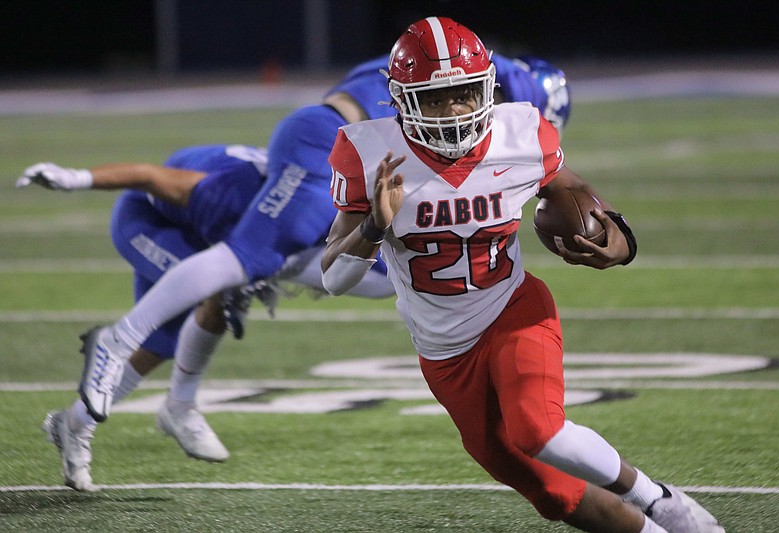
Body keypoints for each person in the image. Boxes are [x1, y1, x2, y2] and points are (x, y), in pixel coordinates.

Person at [19, 48, 572, 492]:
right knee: (247, 264)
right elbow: (154, 177)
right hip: (157, 217)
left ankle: (85, 421)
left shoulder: (423, 103)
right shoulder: (489, 91)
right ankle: (126, 348)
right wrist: (75, 178)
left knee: (264, 280)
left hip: (308, 159)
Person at [321, 16, 723, 533]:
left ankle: (659, 500)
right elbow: (333, 277)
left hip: (513, 309)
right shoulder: (368, 154)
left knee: (539, 430)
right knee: (555, 494)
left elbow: (575, 193)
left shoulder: (519, 132)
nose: (453, 111)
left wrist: (618, 239)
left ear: (486, 88)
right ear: (401, 102)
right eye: (435, 98)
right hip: (444, 353)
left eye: (464, 93)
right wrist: (376, 224)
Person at [19, 144, 393, 492]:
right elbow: (149, 176)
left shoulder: (318, 209)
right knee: (221, 292)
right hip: (149, 220)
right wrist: (75, 178)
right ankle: (176, 402)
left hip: (218, 232)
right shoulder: (231, 196)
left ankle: (75, 424)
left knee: (166, 340)